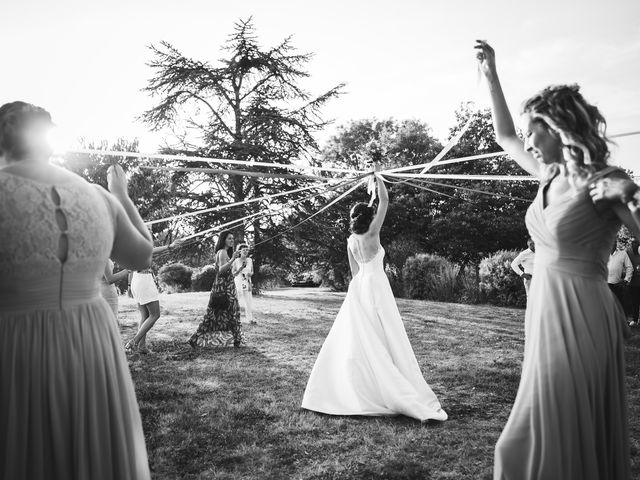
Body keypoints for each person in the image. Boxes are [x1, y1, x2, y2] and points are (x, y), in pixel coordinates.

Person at [476, 40, 640, 479]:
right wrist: (491, 76)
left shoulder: (606, 181)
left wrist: (634, 198)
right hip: (544, 312)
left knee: (530, 437)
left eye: (535, 130)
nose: (527, 139)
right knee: (542, 433)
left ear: (557, 128)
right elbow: (504, 136)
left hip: (583, 313)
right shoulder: (547, 176)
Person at [0, 101, 153, 479]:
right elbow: (142, 254)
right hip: (91, 340)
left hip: (15, 341)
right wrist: (122, 194)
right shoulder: (99, 197)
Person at [301, 166, 447, 422]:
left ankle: (358, 386)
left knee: (362, 336)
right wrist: (377, 176)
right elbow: (386, 200)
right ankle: (392, 383)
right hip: (377, 285)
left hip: (359, 286)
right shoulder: (373, 232)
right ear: (369, 217)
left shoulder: (350, 241)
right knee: (387, 332)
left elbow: (354, 271)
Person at [189, 231, 244, 348]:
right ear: (223, 239)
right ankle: (196, 338)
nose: (232, 240)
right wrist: (233, 259)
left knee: (227, 313)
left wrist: (239, 269)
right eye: (229, 238)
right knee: (222, 313)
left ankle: (236, 339)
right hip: (223, 288)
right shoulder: (223, 252)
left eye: (233, 238)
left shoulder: (224, 252)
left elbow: (229, 274)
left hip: (227, 286)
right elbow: (221, 270)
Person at [124, 245, 170, 354]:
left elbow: (130, 270)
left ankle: (142, 347)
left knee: (145, 315)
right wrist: (170, 246)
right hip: (144, 281)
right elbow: (152, 250)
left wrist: (130, 286)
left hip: (136, 279)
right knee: (155, 314)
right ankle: (134, 342)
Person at [607, 238, 633, 315]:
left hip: (617, 284)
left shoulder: (623, 254)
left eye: (614, 242)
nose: (613, 244)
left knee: (618, 305)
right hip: (604, 284)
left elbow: (629, 267)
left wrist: (626, 280)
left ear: (616, 244)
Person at [233, 243, 255, 324]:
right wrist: (240, 269)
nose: (246, 251)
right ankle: (235, 319)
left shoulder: (250, 260)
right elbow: (233, 274)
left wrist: (250, 274)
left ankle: (250, 319)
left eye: (247, 250)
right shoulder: (236, 261)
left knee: (248, 301)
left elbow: (252, 271)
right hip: (238, 282)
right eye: (244, 250)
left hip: (247, 282)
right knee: (237, 301)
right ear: (239, 251)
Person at [626, 239, 640, 326]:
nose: (634, 246)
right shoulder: (628, 252)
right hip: (633, 283)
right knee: (635, 302)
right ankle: (635, 320)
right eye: (632, 244)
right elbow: (625, 265)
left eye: (636, 244)